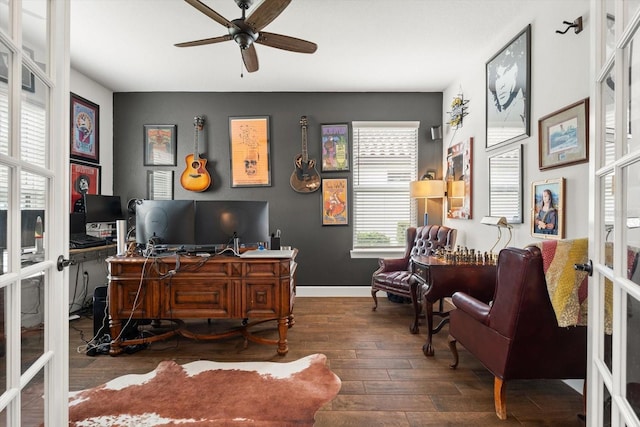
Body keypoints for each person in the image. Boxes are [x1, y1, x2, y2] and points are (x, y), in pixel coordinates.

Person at [487, 33, 527, 127]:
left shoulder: (521, 109)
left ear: (517, 74)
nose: (502, 85)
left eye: (507, 76)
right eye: (497, 78)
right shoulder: (496, 113)